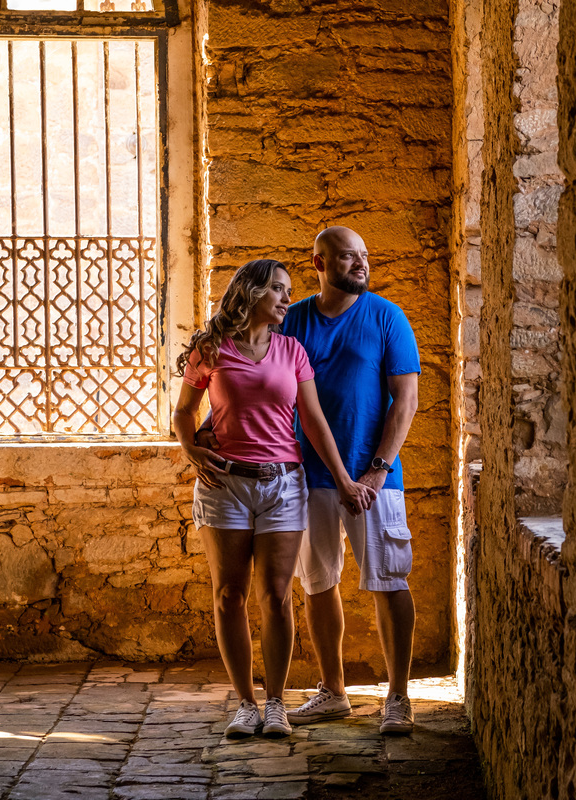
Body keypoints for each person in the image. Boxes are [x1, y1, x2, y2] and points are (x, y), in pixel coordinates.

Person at [173, 258, 376, 740]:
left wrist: (345, 480)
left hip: (284, 484)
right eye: (279, 291)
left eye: (288, 291)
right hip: (225, 485)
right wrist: (190, 449)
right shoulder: (212, 349)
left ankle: (276, 704)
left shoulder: (293, 352)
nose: (288, 299)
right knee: (229, 595)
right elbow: (184, 412)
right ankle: (245, 704)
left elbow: (314, 422)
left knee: (277, 595)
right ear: (251, 293)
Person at [282, 226, 421, 735]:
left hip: (374, 477)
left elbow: (405, 401)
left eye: (364, 255)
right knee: (319, 583)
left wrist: (377, 469)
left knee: (389, 580)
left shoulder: (386, 316)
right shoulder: (293, 320)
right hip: (309, 475)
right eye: (347, 256)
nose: (360, 264)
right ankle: (333, 692)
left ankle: (399, 696)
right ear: (318, 262)